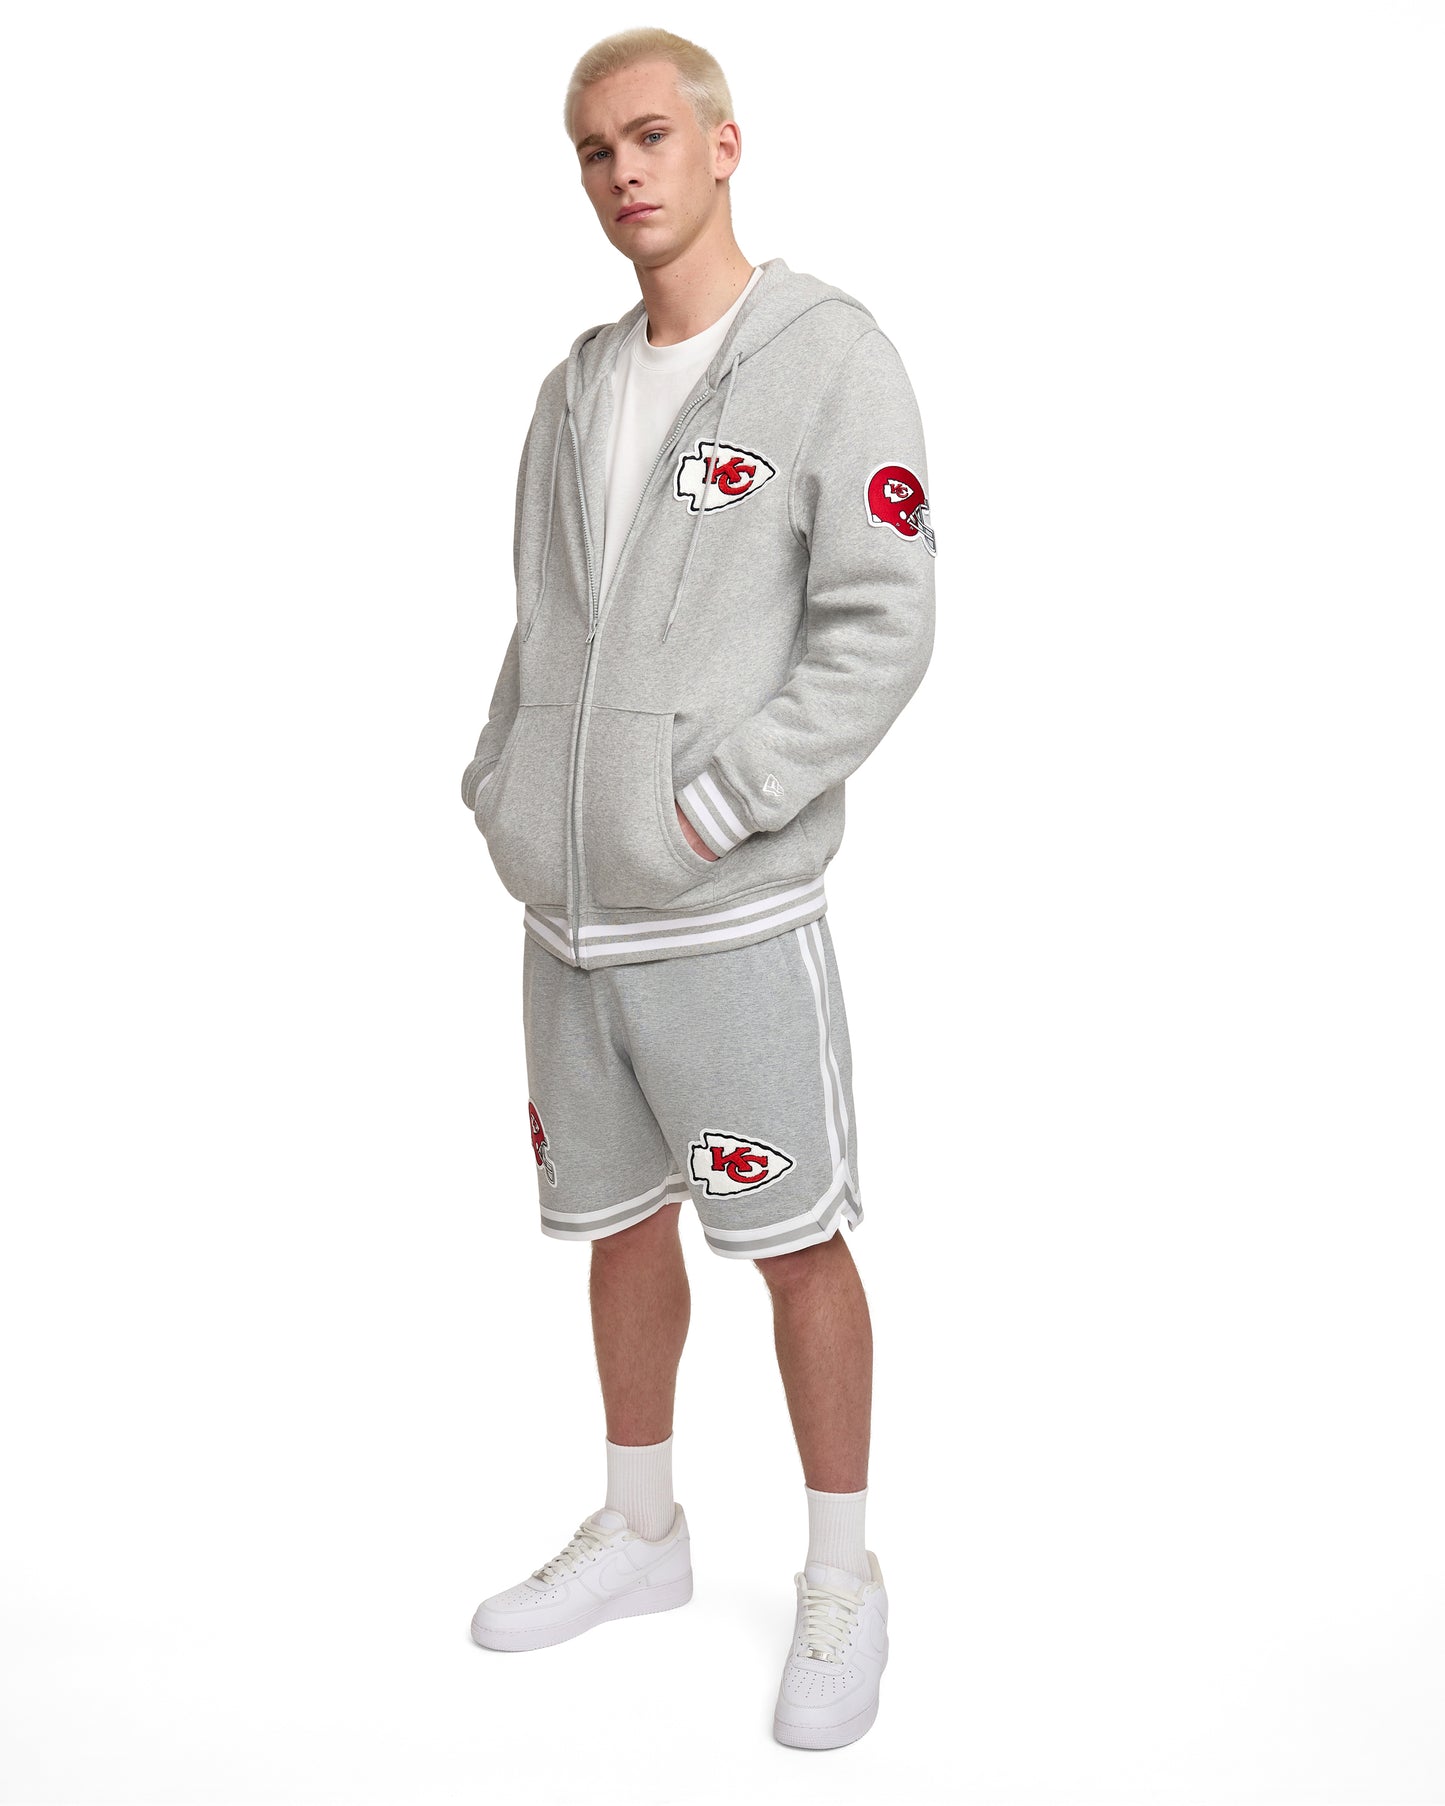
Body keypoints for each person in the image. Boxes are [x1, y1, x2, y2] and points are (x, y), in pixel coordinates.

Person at [460, 27, 936, 1750]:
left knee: (792, 1243)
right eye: (594, 151)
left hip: (726, 915)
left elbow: (881, 622)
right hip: (569, 916)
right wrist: (505, 788)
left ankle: (841, 1576)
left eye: (650, 137)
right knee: (614, 1221)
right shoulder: (573, 387)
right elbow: (543, 624)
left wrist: (721, 802)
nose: (623, 173)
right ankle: (643, 1528)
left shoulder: (828, 357)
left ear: (724, 146)